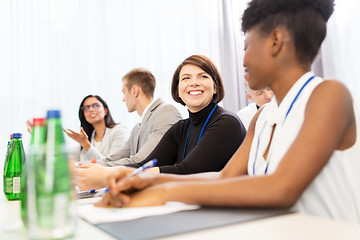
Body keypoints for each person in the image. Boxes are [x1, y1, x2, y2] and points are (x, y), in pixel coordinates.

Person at [98, 0, 360, 225]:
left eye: (246, 46)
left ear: (276, 41)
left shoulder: (329, 94)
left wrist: (164, 192)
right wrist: (148, 182)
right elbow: (223, 177)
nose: (242, 60)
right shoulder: (262, 117)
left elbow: (281, 188)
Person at [77, 55, 246, 190]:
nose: (194, 82)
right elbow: (146, 164)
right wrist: (99, 171)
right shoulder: (181, 128)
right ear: (178, 90)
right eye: (186, 78)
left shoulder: (226, 122)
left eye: (203, 76)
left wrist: (110, 177)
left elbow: (188, 171)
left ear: (215, 87)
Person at [75, 68, 182, 190]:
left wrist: (100, 172)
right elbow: (112, 159)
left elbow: (144, 161)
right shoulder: (137, 127)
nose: (123, 99)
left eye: (124, 92)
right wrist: (80, 167)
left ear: (134, 91)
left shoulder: (165, 111)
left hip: (161, 190)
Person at [64, 95, 129, 163]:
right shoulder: (89, 137)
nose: (91, 109)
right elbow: (68, 158)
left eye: (96, 106)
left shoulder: (120, 131)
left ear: (105, 110)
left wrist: (86, 145)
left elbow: (113, 164)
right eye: (87, 108)